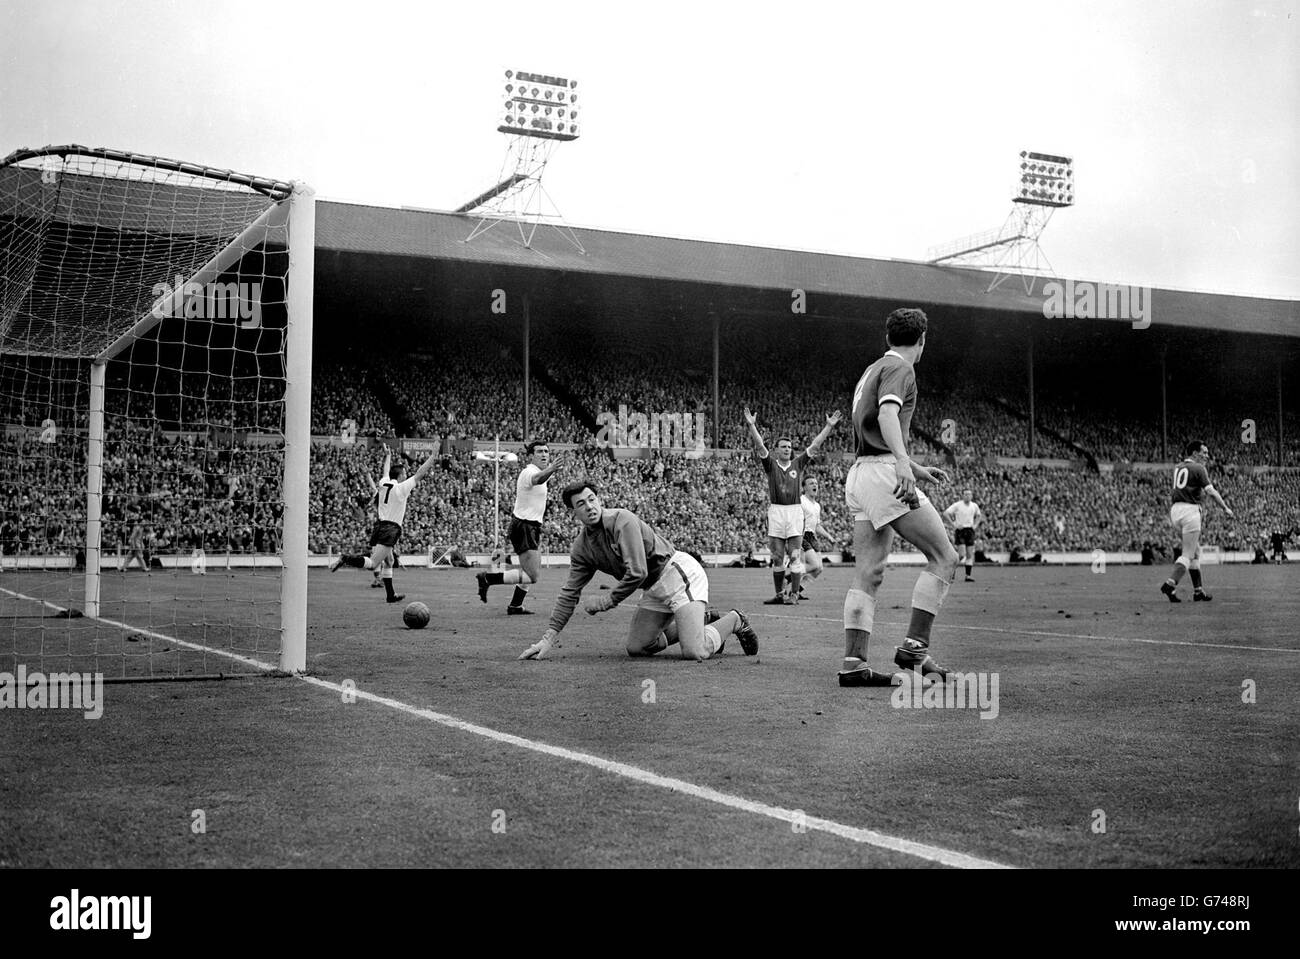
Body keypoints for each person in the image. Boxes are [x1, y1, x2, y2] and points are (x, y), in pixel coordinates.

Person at [837, 307, 960, 688]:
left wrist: (912, 465)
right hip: (884, 473)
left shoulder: (871, 369)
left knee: (868, 573)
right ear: (922, 341)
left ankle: (854, 663)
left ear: (888, 337)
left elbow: (873, 426)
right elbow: (888, 415)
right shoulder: (902, 370)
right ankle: (914, 649)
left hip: (860, 474)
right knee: (945, 557)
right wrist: (903, 465)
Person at [518, 481, 759, 662]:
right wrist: (548, 638)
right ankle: (704, 619)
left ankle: (735, 620)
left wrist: (607, 601)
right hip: (653, 589)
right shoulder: (582, 548)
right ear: (573, 512)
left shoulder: (622, 520)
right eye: (581, 504)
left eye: (592, 499)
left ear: (599, 499)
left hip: (677, 574)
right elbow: (570, 592)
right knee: (638, 647)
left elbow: (637, 572)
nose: (589, 506)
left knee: (695, 651)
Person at [743, 406, 842, 605]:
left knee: (795, 555)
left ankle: (794, 595)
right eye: (783, 447)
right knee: (778, 557)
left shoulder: (798, 464)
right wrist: (752, 426)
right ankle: (779, 595)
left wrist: (828, 427)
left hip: (794, 511)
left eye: (789, 447)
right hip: (777, 511)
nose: (787, 449)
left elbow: (815, 445)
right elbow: (761, 446)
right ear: (777, 450)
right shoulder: (770, 464)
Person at [330, 448, 438, 603]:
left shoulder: (383, 482)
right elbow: (420, 473)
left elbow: (385, 470)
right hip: (390, 528)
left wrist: (388, 455)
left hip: (380, 526)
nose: (406, 475)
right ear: (400, 475)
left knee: (389, 561)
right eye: (405, 473)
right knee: (373, 563)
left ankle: (390, 595)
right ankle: (346, 558)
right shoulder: (401, 488)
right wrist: (433, 457)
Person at [477, 440, 563, 614]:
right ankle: (487, 578)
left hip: (530, 526)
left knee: (529, 570)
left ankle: (515, 605)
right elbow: (537, 479)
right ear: (531, 456)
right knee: (533, 576)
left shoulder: (540, 472)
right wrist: (552, 468)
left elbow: (540, 481)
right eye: (540, 451)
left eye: (546, 451)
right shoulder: (528, 471)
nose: (544, 454)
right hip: (524, 526)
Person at [1160, 440, 1233, 602]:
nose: (1207, 456)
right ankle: (1170, 584)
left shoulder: (1178, 467)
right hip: (1190, 511)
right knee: (1188, 553)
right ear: (1194, 453)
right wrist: (1225, 508)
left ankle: (1198, 591)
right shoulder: (1198, 468)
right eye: (1204, 452)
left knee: (1195, 552)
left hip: (1175, 511)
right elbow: (1211, 492)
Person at [786, 475, 832, 600]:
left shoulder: (817, 505)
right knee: (814, 565)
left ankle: (796, 591)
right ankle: (788, 578)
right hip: (802, 534)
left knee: (819, 569)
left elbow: (817, 525)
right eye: (811, 483)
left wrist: (828, 536)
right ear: (804, 487)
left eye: (816, 483)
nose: (815, 485)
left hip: (812, 536)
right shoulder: (800, 501)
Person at [943, 488, 984, 582]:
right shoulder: (958, 505)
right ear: (962, 495)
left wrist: (975, 525)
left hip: (970, 530)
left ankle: (968, 576)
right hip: (960, 530)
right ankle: (951, 572)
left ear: (972, 496)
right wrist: (954, 524)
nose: (968, 496)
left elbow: (979, 515)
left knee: (970, 554)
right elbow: (946, 513)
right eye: (966, 494)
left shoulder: (974, 506)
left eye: (969, 494)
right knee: (962, 554)